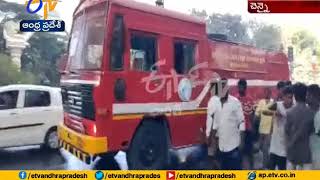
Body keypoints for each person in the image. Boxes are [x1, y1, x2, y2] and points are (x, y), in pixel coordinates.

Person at [209, 78, 245, 170]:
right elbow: (214, 126)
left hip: (234, 148)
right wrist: (212, 150)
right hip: (221, 148)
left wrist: (241, 143)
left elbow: (241, 122)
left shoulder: (235, 102)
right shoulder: (216, 104)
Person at [285, 83, 315, 170]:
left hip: (293, 152)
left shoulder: (290, 112)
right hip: (306, 153)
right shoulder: (311, 113)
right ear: (305, 95)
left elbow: (286, 132)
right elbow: (312, 131)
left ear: (294, 95)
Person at [268, 86, 294, 170]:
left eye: (291, 97)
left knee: (282, 169)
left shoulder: (294, 108)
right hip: (274, 144)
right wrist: (274, 113)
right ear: (283, 97)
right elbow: (266, 111)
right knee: (271, 168)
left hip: (284, 146)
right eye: (288, 97)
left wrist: (283, 116)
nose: (290, 100)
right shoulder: (278, 105)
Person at [235, 79, 255, 169]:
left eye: (242, 87)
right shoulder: (235, 99)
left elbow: (252, 115)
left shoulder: (249, 99)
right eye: (239, 87)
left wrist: (252, 127)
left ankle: (252, 169)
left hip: (248, 129)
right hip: (238, 130)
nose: (240, 88)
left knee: (249, 152)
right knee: (239, 151)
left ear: (245, 87)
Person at [255, 87, 274, 169]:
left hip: (269, 130)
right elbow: (257, 114)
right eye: (266, 92)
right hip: (261, 129)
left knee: (266, 148)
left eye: (268, 92)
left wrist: (272, 130)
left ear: (270, 93)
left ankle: (264, 166)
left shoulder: (273, 103)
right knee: (260, 148)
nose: (267, 93)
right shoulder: (261, 102)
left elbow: (274, 117)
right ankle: (265, 164)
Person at [306, 84, 320, 169]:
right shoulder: (305, 110)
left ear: (313, 96)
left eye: (308, 95)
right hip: (306, 154)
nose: (306, 97)